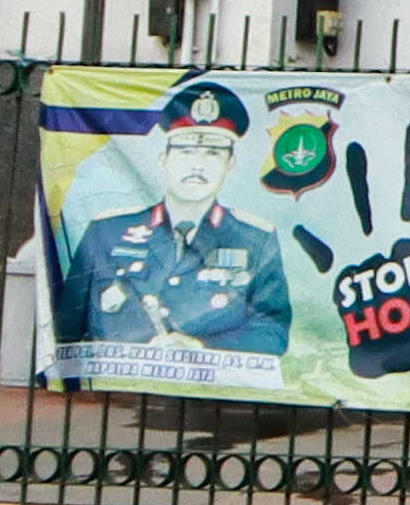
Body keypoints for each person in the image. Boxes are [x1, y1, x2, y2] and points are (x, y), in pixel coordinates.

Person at [64, 77, 292, 363]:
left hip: (212, 394)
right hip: (120, 395)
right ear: (164, 160)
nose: (197, 164)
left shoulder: (255, 239)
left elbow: (273, 332)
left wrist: (201, 349)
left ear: (229, 164)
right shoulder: (107, 232)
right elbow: (66, 328)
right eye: (185, 152)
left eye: (212, 153)